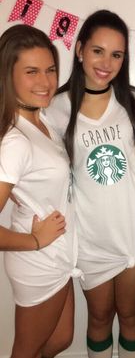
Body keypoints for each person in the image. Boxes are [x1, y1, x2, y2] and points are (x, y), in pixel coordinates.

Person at [45, 9, 135, 358]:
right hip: (90, 236)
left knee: (132, 314)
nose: (107, 62)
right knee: (100, 316)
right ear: (79, 50)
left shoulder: (133, 101)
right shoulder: (58, 107)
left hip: (134, 231)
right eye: (98, 50)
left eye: (116, 54)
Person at [0, 24, 80, 358]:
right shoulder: (16, 141)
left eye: (50, 70)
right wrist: (34, 241)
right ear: (8, 75)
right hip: (38, 261)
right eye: (32, 72)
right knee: (27, 351)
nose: (46, 82)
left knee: (60, 340)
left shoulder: (40, 121)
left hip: (59, 256)